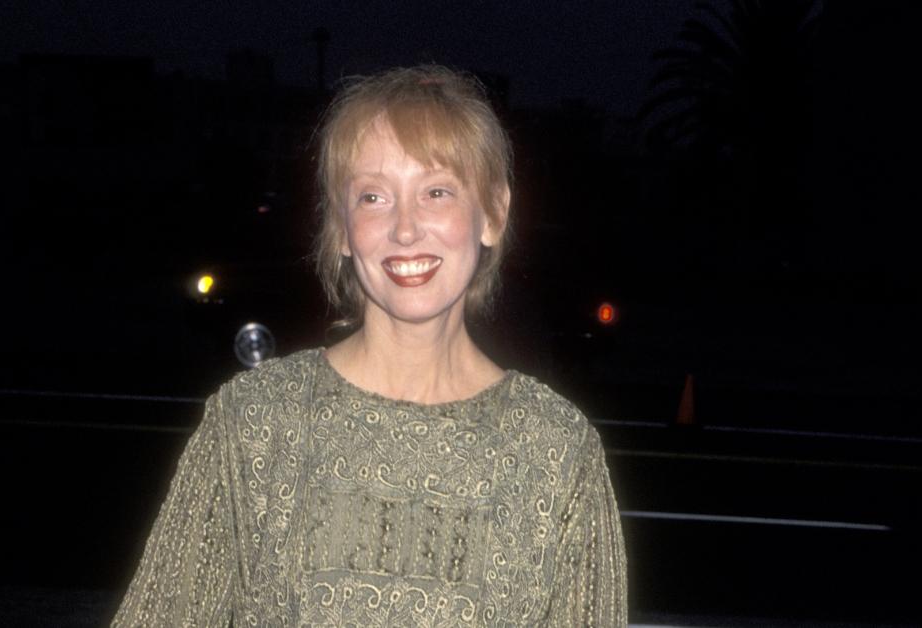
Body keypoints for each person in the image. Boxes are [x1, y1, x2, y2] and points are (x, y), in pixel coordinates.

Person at [113, 65, 627, 627]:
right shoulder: (253, 425)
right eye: (374, 197)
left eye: (436, 191)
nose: (405, 229)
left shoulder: (557, 452)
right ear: (340, 226)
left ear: (494, 213)